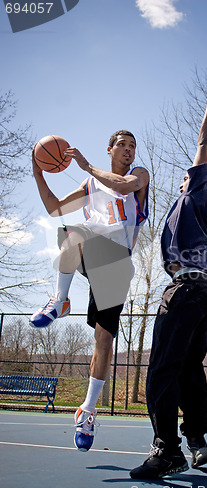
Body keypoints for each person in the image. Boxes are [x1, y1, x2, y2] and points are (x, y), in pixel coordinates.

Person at [130, 82, 207, 479]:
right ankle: (195, 437)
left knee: (161, 369)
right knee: (190, 366)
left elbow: (203, 144)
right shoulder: (198, 202)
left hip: (188, 289)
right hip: (204, 290)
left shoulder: (196, 191)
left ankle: (167, 450)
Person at [29, 130, 149, 451]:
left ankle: (88, 410)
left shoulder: (139, 176)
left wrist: (86, 165)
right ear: (109, 149)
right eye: (122, 145)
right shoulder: (89, 186)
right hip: (91, 249)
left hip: (117, 264)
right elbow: (54, 208)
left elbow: (122, 186)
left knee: (104, 342)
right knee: (72, 234)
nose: (128, 150)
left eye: (132, 146)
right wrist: (39, 172)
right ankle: (60, 300)